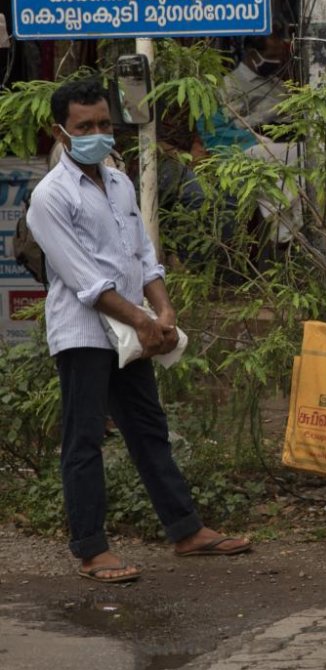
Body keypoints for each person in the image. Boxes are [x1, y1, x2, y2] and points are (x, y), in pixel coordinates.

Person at [26, 78, 252, 585]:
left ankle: (186, 530)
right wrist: (144, 320)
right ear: (60, 131)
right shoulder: (50, 197)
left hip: (134, 332)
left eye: (104, 124)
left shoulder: (120, 181)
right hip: (84, 333)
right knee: (84, 438)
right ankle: (91, 549)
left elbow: (144, 256)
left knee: (148, 430)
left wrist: (164, 311)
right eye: (85, 127)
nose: (98, 134)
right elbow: (84, 279)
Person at [205, 32, 292, 152]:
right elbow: (230, 127)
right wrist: (270, 112)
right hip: (262, 146)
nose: (277, 61)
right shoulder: (231, 85)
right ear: (252, 54)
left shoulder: (277, 82)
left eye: (279, 57)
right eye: (271, 56)